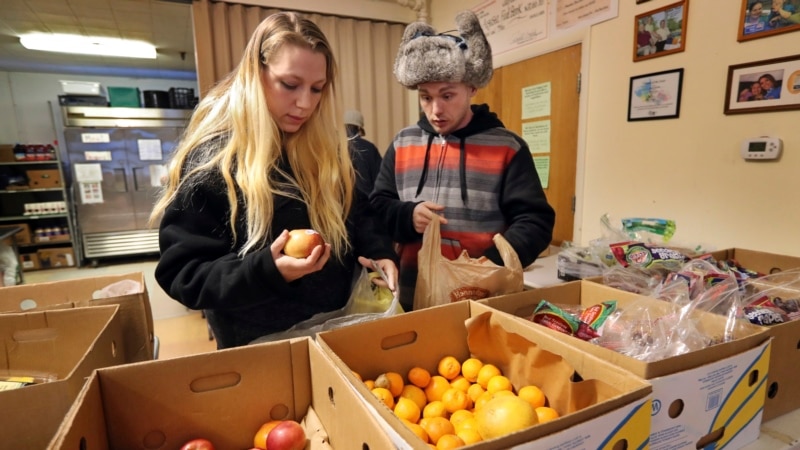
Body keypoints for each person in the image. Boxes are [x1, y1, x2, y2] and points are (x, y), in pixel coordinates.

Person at [150, 12, 398, 349]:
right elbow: (184, 275)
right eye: (290, 85)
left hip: (337, 331)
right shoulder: (212, 164)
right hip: (261, 348)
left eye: (317, 89)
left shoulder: (328, 151)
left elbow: (359, 213)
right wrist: (267, 269)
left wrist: (378, 252)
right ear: (256, 74)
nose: (305, 104)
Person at [370, 10, 555, 311]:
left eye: (447, 95)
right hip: (410, 296)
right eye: (426, 97)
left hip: (482, 299)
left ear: (471, 88)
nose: (435, 110)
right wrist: (407, 215)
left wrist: (489, 268)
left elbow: (535, 222)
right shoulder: (403, 143)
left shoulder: (508, 147)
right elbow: (378, 206)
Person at [345, 109, 382, 196]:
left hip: (342, 204)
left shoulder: (333, 149)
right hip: (367, 203)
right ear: (359, 129)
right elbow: (381, 179)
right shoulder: (369, 148)